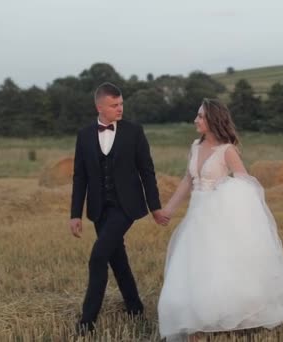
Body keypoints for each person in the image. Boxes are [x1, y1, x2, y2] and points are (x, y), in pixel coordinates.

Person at [158, 98, 283, 341]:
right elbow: (187, 181)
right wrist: (168, 210)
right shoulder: (195, 146)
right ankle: (195, 318)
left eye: (200, 116)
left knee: (220, 266)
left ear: (213, 120)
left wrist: (225, 197)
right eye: (197, 115)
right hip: (196, 217)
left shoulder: (227, 151)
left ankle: (225, 315)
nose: (196, 120)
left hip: (219, 218)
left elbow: (246, 183)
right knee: (193, 266)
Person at [69, 82, 169, 335]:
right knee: (117, 258)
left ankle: (86, 322)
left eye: (121, 103)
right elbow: (79, 176)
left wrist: (155, 206)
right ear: (99, 106)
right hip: (99, 209)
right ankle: (135, 308)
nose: (120, 108)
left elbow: (147, 171)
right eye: (114, 105)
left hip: (127, 206)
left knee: (99, 255)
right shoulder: (84, 135)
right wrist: (75, 214)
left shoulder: (134, 132)